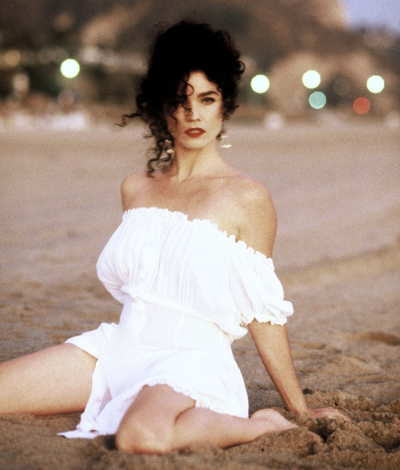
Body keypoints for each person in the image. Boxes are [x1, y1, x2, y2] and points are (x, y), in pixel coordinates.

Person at [0, 21, 349, 454]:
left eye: (207, 99)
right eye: (180, 101)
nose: (192, 114)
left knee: (140, 436)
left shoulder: (247, 198)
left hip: (190, 361)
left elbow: (263, 312)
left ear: (225, 104)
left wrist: (299, 409)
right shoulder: (135, 188)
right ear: (163, 107)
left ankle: (262, 425)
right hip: (120, 348)